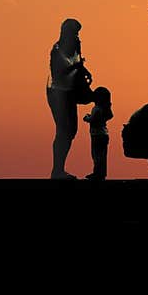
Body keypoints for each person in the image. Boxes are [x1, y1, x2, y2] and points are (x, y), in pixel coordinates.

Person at [46, 17, 92, 180]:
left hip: (70, 93)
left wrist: (84, 70)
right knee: (63, 131)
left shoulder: (75, 46)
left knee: (71, 130)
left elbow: (77, 64)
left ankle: (60, 169)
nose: (77, 36)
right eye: (75, 32)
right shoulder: (57, 50)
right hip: (58, 93)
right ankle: (57, 170)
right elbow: (58, 74)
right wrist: (76, 67)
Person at [83, 87, 113, 182]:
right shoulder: (104, 109)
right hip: (103, 134)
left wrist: (86, 118)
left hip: (97, 135)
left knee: (96, 155)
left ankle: (97, 174)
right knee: (102, 156)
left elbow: (93, 119)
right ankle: (101, 174)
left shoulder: (96, 109)